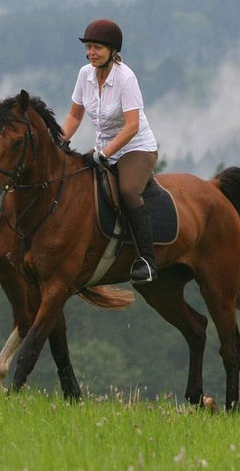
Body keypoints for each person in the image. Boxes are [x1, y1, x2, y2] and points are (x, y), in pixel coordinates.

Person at [60, 19, 159, 284]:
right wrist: (57, 141)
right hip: (105, 147)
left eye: (97, 48)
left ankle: (147, 260)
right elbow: (73, 116)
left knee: (127, 190)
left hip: (135, 147)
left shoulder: (126, 78)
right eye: (89, 47)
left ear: (113, 51)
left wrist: (104, 154)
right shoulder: (85, 75)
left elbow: (132, 126)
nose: (91, 52)